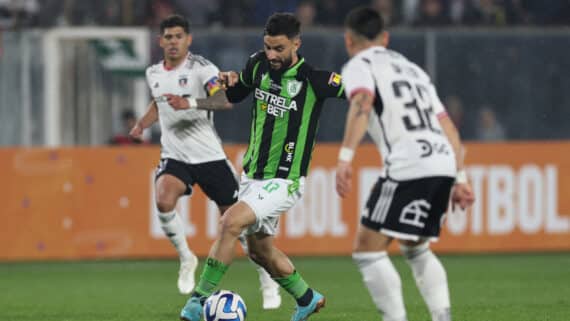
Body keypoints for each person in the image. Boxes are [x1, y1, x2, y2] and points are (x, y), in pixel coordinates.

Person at [169, 12, 345, 321]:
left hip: (285, 180)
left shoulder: (314, 80)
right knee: (260, 252)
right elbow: (231, 97)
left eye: (279, 49)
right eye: (268, 47)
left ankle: (197, 302)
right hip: (252, 176)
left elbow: (360, 94)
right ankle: (307, 298)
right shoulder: (257, 65)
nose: (272, 55)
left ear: (296, 44)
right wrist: (220, 85)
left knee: (229, 223)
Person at [129, 14, 282, 309]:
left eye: (178, 37)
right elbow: (157, 103)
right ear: (160, 41)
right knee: (163, 199)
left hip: (210, 157)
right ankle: (187, 258)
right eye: (168, 37)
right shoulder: (153, 73)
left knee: (241, 227)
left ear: (188, 39)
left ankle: (266, 277)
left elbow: (223, 100)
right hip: (175, 155)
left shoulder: (202, 69)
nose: (173, 42)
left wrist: (191, 103)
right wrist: (141, 125)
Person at [335, 7, 475, 321]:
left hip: (408, 163)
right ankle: (442, 316)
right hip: (442, 159)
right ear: (385, 38)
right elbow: (448, 126)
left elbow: (362, 102)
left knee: (367, 250)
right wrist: (460, 177)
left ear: (348, 40)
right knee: (416, 247)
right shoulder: (414, 70)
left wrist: (345, 158)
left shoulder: (358, 64)